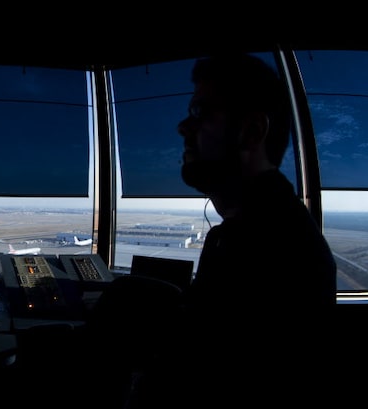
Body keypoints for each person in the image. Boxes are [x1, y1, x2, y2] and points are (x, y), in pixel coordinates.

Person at [98, 54, 340, 408]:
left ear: (253, 131)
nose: (182, 127)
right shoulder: (242, 233)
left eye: (200, 111)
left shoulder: (274, 252)